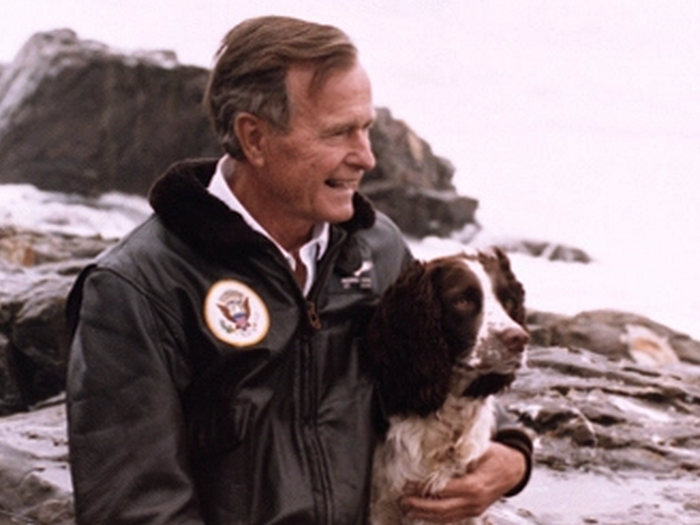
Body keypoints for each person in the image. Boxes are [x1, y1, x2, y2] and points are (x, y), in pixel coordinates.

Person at [66, 15, 532, 524]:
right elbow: (136, 509)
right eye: (339, 133)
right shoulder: (137, 289)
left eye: (367, 128)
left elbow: (434, 365)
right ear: (255, 138)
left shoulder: (377, 249)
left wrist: (510, 452)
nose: (367, 158)